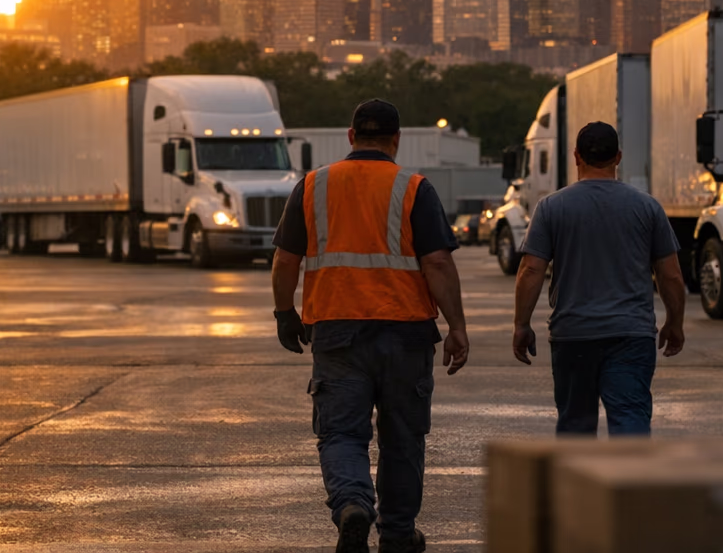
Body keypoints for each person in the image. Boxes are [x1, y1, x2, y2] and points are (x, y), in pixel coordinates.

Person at [270, 99, 470, 553]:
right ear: (396, 140)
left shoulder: (313, 185)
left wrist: (285, 312)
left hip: (337, 332)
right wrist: (457, 326)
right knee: (403, 437)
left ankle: (352, 505)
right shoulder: (414, 187)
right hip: (406, 333)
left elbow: (285, 259)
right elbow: (437, 262)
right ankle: (398, 533)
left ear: (350, 136)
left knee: (341, 433)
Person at [511, 121, 686, 435]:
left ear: (577, 156)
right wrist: (675, 321)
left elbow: (531, 270)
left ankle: (575, 484)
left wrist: (521, 325)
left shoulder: (551, 208)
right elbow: (671, 275)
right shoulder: (647, 207)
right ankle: (630, 484)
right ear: (618, 157)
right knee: (630, 421)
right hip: (631, 336)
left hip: (572, 335)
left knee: (575, 426)